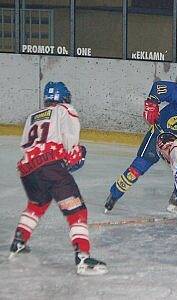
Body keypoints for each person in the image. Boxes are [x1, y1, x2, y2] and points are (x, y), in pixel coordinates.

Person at [9, 81, 108, 275]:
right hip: (50, 167)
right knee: (76, 210)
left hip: (28, 170)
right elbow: (70, 145)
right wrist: (76, 154)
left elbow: (28, 146)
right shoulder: (65, 109)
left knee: (37, 204)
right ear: (64, 97)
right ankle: (83, 258)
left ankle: (19, 241)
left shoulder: (32, 116)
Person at [104, 79, 177, 213]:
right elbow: (159, 87)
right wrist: (151, 103)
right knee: (138, 167)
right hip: (158, 135)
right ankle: (115, 194)